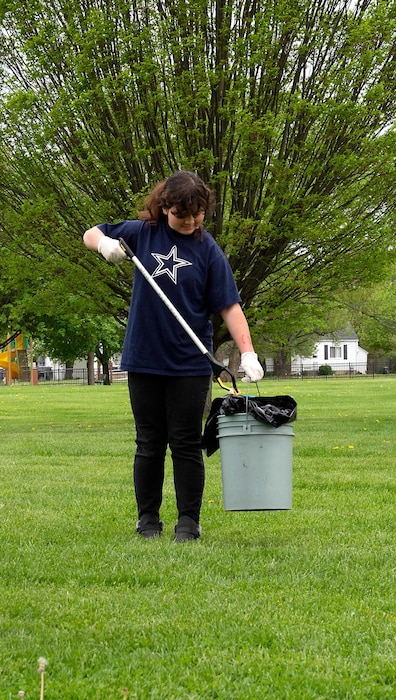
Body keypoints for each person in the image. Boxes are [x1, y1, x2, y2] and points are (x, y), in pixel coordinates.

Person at [83, 171, 264, 543]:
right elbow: (91, 232)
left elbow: (229, 306)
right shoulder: (141, 233)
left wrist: (247, 353)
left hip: (190, 364)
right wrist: (105, 245)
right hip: (145, 358)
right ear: (165, 206)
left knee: (185, 442)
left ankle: (188, 522)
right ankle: (147, 520)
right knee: (149, 442)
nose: (191, 221)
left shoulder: (208, 250)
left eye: (198, 214)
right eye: (183, 214)